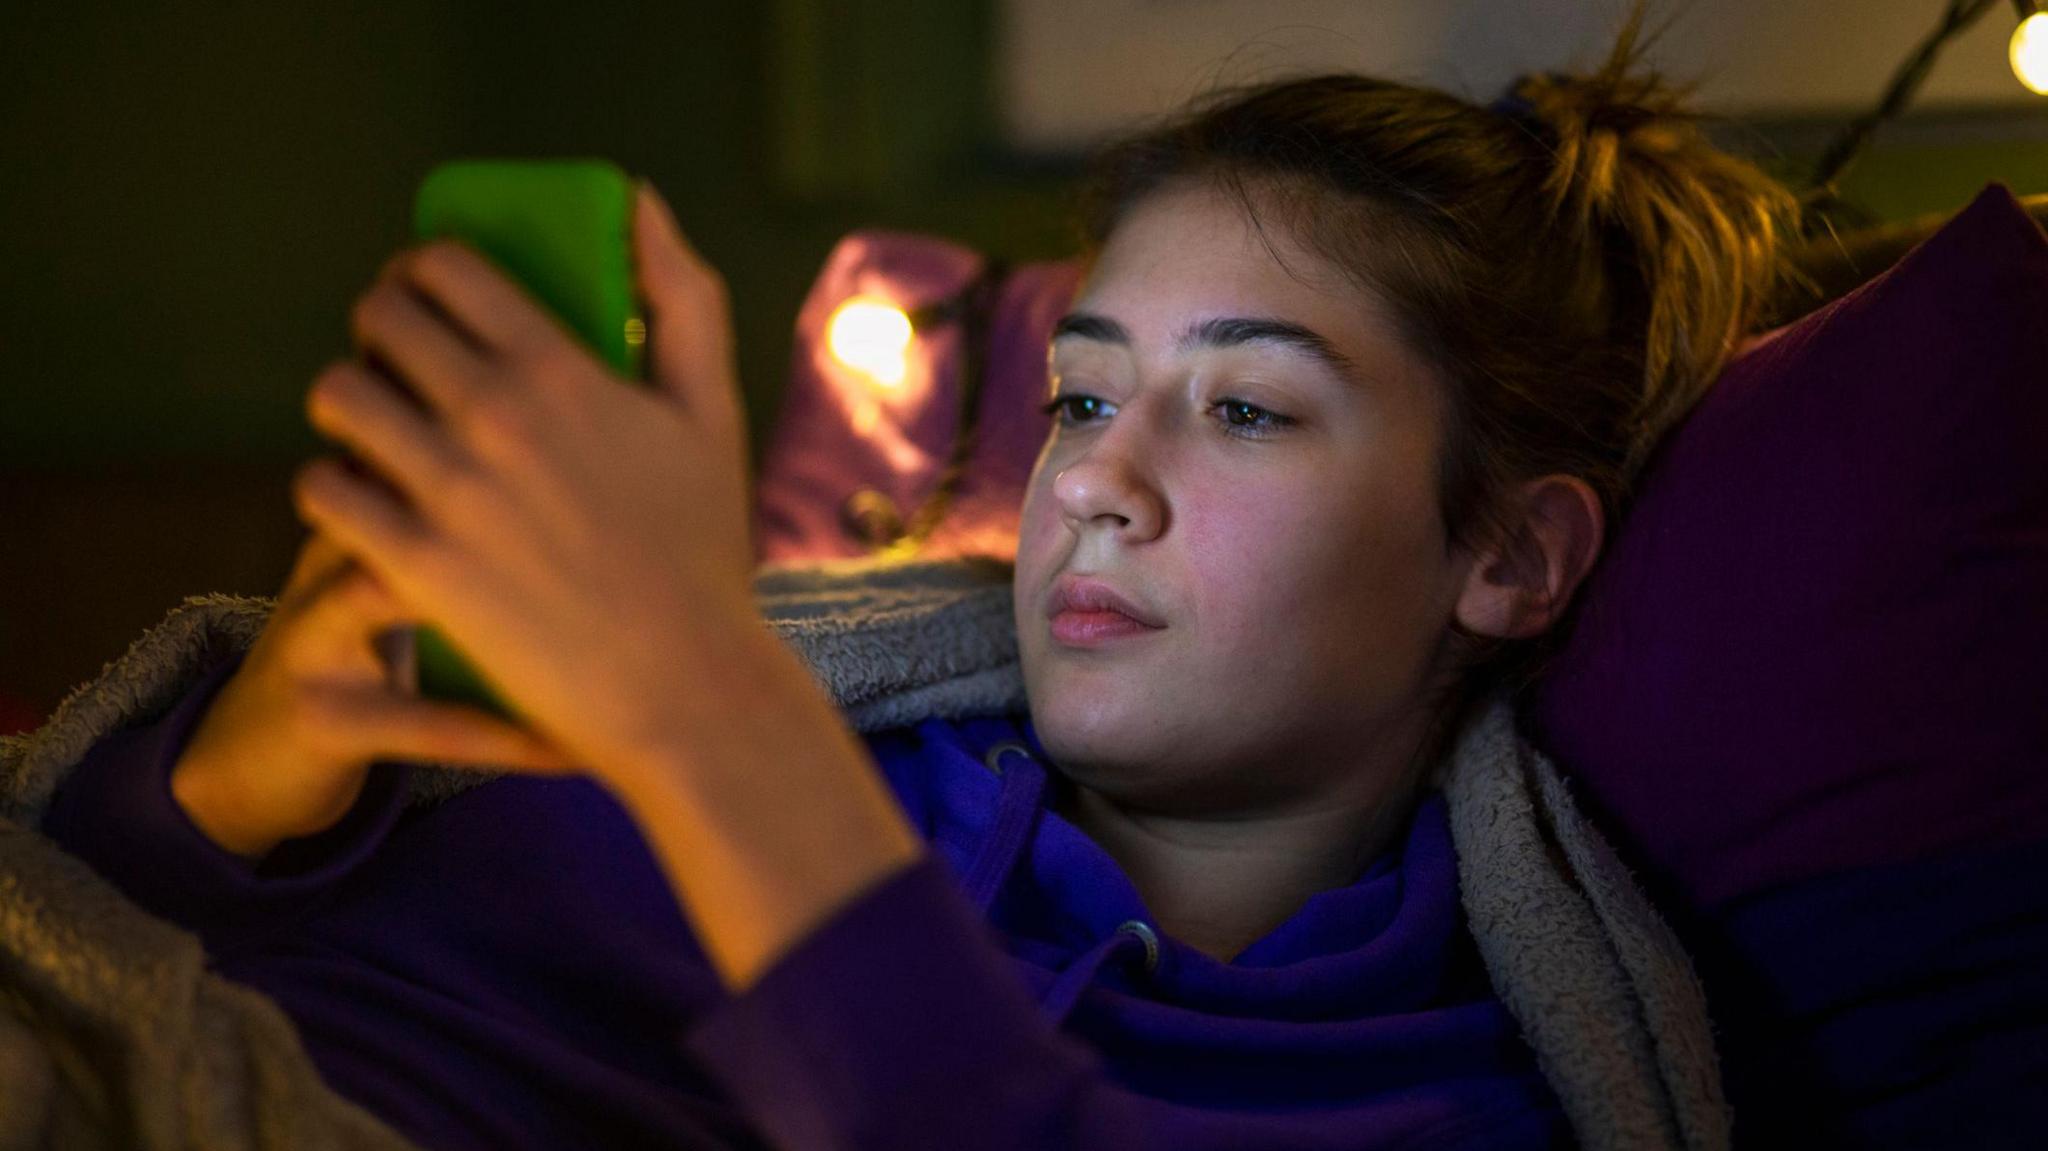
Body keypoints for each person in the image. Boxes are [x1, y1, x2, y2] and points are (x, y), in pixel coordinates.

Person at [37, 9, 1797, 1149]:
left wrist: (692, 694)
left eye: (1245, 408)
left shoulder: (1447, 1099)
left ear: (1509, 554)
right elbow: (122, 951)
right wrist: (232, 791)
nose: (1096, 479)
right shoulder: (773, 778)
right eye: (1083, 394)